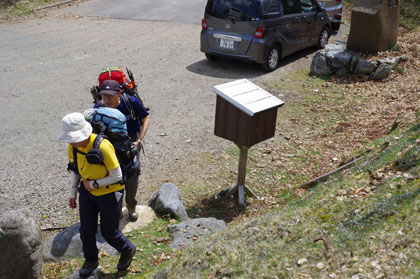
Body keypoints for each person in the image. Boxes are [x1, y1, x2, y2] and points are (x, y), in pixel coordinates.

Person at [57, 112, 136, 278]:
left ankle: (127, 249)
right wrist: (73, 192)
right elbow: (76, 170)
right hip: (87, 193)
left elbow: (117, 175)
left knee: (109, 232)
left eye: (73, 138)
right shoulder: (73, 146)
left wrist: (94, 184)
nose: (71, 142)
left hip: (110, 194)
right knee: (86, 231)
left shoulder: (103, 146)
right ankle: (91, 260)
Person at [94, 79, 150, 221]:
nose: (107, 99)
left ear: (119, 93)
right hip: (109, 147)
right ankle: (116, 209)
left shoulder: (130, 102)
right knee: (113, 179)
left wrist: (139, 140)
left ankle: (131, 206)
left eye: (110, 95)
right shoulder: (99, 106)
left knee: (132, 178)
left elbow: (145, 119)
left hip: (131, 144)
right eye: (104, 95)